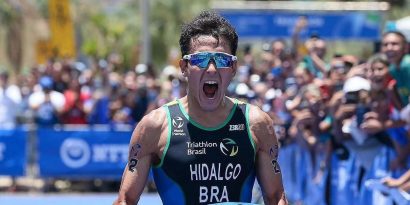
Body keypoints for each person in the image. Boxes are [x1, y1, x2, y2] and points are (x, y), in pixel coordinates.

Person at [114, 11, 287, 205]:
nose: (211, 69)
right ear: (184, 67)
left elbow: (276, 197)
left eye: (221, 60)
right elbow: (125, 200)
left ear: (233, 68)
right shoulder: (155, 126)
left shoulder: (257, 124)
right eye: (200, 60)